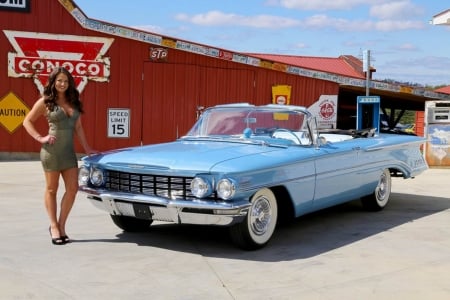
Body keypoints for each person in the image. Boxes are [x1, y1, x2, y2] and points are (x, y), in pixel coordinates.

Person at [23, 67, 96, 245]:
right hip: (52, 153)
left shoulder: (74, 101)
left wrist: (87, 148)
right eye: (59, 81)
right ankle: (53, 226)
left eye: (65, 81)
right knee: (51, 189)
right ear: (53, 82)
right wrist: (40, 137)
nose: (62, 84)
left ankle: (62, 226)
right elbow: (27, 121)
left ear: (69, 83)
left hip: (69, 153)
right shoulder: (46, 102)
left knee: (73, 189)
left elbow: (78, 127)